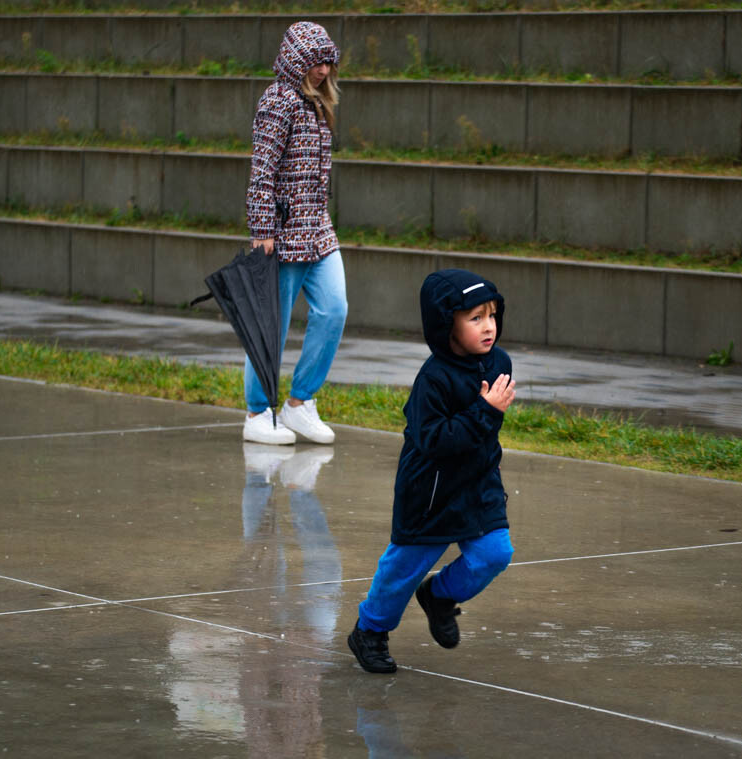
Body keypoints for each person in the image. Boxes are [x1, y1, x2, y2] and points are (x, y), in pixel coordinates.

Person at [347, 269, 517, 674]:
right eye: (475, 318)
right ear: (447, 325)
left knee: (495, 553)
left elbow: (486, 428)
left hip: (478, 483)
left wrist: (487, 433)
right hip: (431, 491)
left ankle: (439, 596)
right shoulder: (433, 380)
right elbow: (434, 440)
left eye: (492, 315)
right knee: (403, 570)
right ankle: (370, 630)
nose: (488, 326)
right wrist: (484, 412)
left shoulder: (499, 362)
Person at [242, 21, 347, 446]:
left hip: (318, 231)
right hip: (282, 235)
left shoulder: (315, 103)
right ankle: (256, 412)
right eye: (315, 62)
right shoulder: (278, 100)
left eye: (328, 62)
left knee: (334, 309)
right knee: (271, 327)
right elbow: (262, 170)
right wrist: (262, 229)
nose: (323, 70)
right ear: (295, 60)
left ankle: (299, 403)